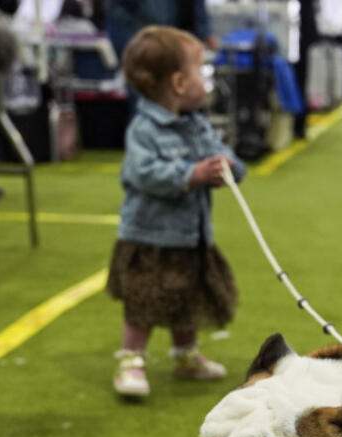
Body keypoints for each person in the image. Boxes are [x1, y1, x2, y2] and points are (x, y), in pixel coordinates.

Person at [107, 25, 246, 397]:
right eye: (202, 71)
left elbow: (226, 156)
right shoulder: (144, 128)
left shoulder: (197, 123)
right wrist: (191, 174)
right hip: (150, 236)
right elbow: (142, 172)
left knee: (189, 294)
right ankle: (131, 359)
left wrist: (228, 167)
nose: (207, 80)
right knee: (145, 297)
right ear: (179, 83)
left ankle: (185, 353)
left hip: (191, 233)